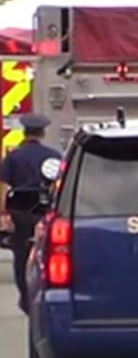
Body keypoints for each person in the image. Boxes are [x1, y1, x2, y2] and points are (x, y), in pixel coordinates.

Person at [0, 114, 61, 313]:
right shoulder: (53, 155)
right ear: (42, 133)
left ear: (24, 132)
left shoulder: (13, 156)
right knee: (49, 255)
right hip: (45, 213)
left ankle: (26, 299)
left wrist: (4, 213)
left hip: (20, 212)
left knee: (21, 256)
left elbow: (4, 186)